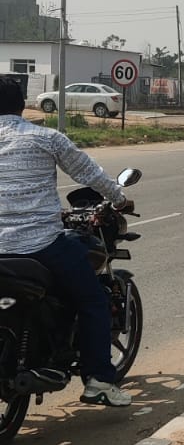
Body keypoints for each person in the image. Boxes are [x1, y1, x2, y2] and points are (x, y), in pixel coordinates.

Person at [0, 75, 135, 406]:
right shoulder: (45, 137)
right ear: (23, 105)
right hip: (40, 245)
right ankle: (99, 381)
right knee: (93, 301)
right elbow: (89, 173)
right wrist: (119, 200)